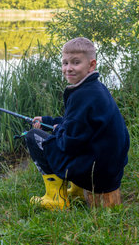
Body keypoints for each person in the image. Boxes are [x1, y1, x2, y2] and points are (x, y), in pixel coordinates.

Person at [25, 37, 130, 210]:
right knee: (55, 136)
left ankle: (56, 198)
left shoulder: (82, 95)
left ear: (91, 64)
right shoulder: (95, 88)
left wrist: (59, 131)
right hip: (109, 170)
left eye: (75, 62)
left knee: (33, 137)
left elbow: (69, 143)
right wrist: (48, 122)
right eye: (65, 63)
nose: (68, 68)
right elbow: (76, 123)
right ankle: (77, 190)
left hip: (97, 174)